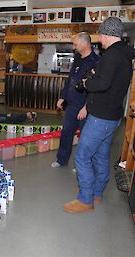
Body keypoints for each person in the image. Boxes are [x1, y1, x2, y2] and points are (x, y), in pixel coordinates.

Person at [63, 17, 135, 213]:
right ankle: (96, 192)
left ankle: (85, 199)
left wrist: (87, 82)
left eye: (101, 34)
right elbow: (109, 80)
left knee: (83, 156)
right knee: (101, 157)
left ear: (107, 34)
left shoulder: (112, 55)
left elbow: (102, 85)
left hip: (101, 116)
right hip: (112, 116)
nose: (99, 39)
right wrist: (97, 74)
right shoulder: (124, 54)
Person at [51, 32, 100, 168]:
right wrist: (63, 97)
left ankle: (81, 165)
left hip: (85, 107)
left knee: (85, 139)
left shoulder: (96, 62)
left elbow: (95, 88)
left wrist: (86, 107)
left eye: (75, 44)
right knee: (66, 132)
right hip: (72, 105)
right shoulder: (77, 58)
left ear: (84, 44)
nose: (74, 47)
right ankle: (61, 159)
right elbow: (70, 80)